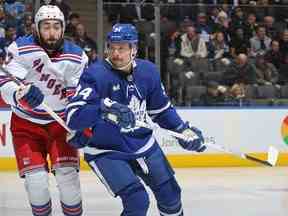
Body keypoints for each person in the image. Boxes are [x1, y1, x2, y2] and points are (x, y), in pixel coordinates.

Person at [66, 23, 207, 216]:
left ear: (134, 49)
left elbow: (161, 111)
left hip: (143, 144)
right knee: (137, 201)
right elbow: (74, 117)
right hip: (106, 150)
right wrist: (103, 108)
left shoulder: (148, 71)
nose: (115, 53)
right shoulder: (95, 75)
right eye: (112, 47)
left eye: (121, 48)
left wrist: (183, 130)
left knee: (171, 195)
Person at [0, 5, 88, 216]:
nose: (51, 32)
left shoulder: (76, 56)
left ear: (63, 28)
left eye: (56, 27)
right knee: (36, 184)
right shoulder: (20, 48)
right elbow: (5, 83)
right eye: (46, 27)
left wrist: (82, 123)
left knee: (69, 183)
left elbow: (79, 95)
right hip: (26, 125)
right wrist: (21, 95)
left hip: (61, 127)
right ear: (36, 29)